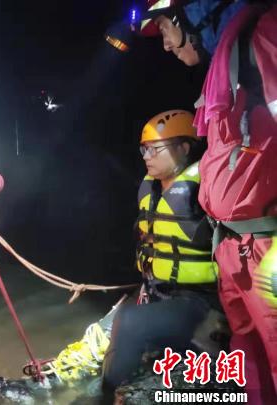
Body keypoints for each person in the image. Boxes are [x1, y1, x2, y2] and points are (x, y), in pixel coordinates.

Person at [138, 0, 277, 401]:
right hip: (232, 248)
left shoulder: (263, 36)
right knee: (249, 361)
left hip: (266, 245)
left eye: (165, 28)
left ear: (195, 15)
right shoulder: (223, 69)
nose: (166, 44)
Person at [101, 110, 220, 390]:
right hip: (157, 291)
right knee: (103, 329)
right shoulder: (151, 189)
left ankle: (108, 394)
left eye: (155, 149)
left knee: (129, 321)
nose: (146, 156)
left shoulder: (206, 189)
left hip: (198, 301)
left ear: (184, 148)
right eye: (144, 149)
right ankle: (55, 381)